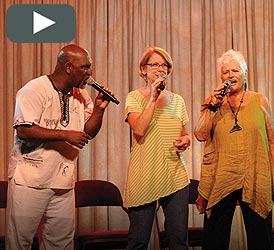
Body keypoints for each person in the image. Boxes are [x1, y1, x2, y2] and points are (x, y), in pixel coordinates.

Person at [7, 44, 112, 249]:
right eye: (85, 67)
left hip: (63, 181)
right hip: (30, 181)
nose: (90, 73)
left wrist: (99, 110)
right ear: (68, 67)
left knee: (60, 242)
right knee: (20, 242)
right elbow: (24, 131)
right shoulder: (34, 89)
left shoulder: (81, 95)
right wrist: (65, 135)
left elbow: (86, 133)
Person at [194, 49, 274, 250]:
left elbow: (273, 141)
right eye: (226, 72)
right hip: (222, 177)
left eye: (235, 70)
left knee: (260, 238)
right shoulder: (213, 103)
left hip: (255, 175)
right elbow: (200, 134)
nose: (230, 76)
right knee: (215, 239)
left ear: (245, 73)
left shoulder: (259, 100)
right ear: (221, 76)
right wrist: (212, 106)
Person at [124, 47, 191, 250]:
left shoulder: (178, 100)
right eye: (154, 65)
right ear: (144, 69)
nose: (160, 69)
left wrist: (186, 140)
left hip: (174, 173)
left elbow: (184, 133)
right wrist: (153, 97)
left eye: (164, 65)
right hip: (145, 173)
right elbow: (139, 129)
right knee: (138, 240)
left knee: (178, 240)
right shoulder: (134, 97)